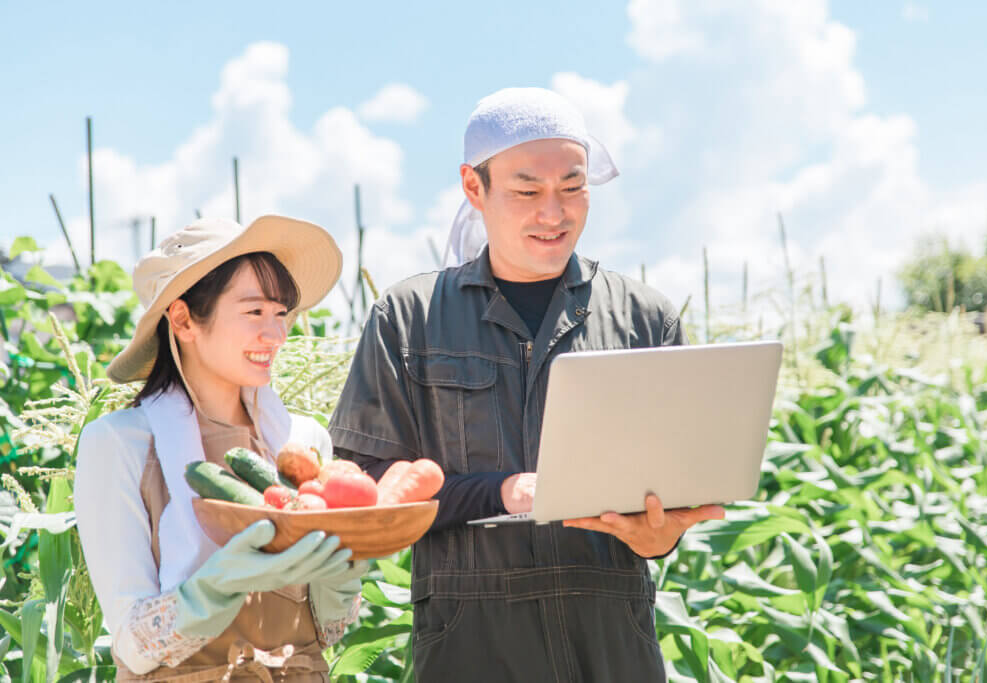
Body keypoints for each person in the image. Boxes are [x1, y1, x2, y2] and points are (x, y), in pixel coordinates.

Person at [328, 88, 724, 682]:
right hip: (470, 639)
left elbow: (667, 489)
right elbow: (360, 492)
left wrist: (658, 536)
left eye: (572, 187)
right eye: (527, 191)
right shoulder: (408, 318)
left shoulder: (646, 318)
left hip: (613, 634)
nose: (554, 212)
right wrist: (501, 492)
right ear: (473, 187)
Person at [74, 215, 368, 682]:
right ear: (184, 319)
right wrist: (215, 588)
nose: (275, 335)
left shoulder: (302, 442)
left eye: (281, 314)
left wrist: (343, 575)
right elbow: (133, 642)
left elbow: (327, 631)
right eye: (254, 312)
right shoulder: (119, 443)